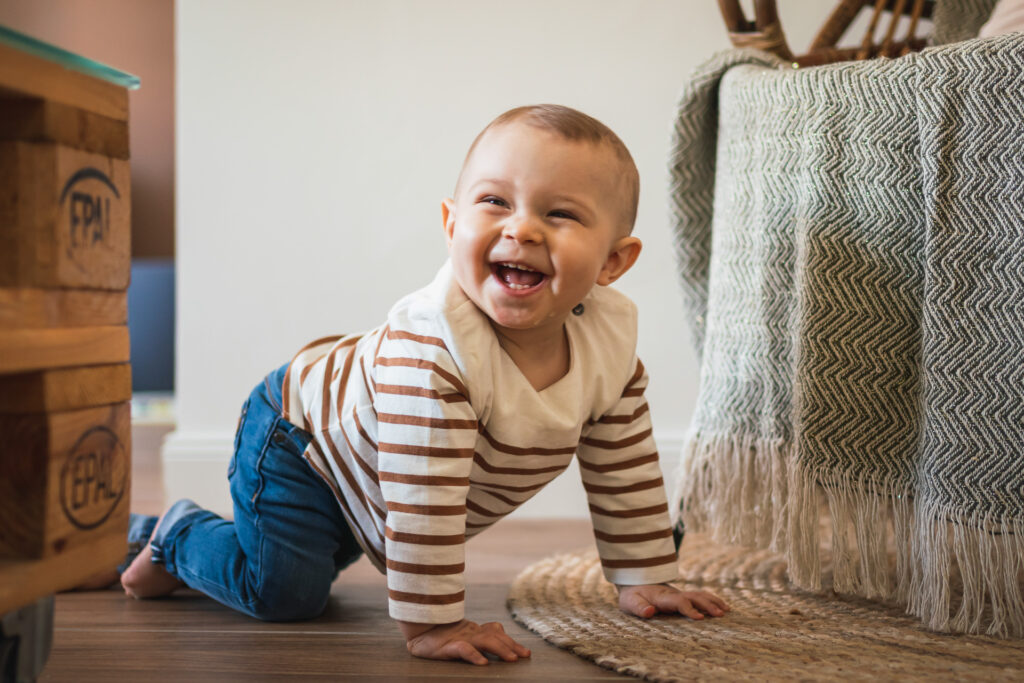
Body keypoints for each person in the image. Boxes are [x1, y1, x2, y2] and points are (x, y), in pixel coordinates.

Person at [118, 104, 729, 665]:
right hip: (301, 439)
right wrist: (433, 623)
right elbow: (423, 494)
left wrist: (644, 575)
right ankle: (174, 534)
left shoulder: (607, 353)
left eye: (560, 213)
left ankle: (179, 545)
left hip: (367, 470)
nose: (522, 230)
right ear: (451, 222)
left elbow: (623, 465)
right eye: (495, 202)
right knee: (284, 594)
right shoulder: (435, 353)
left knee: (316, 565)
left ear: (613, 263)